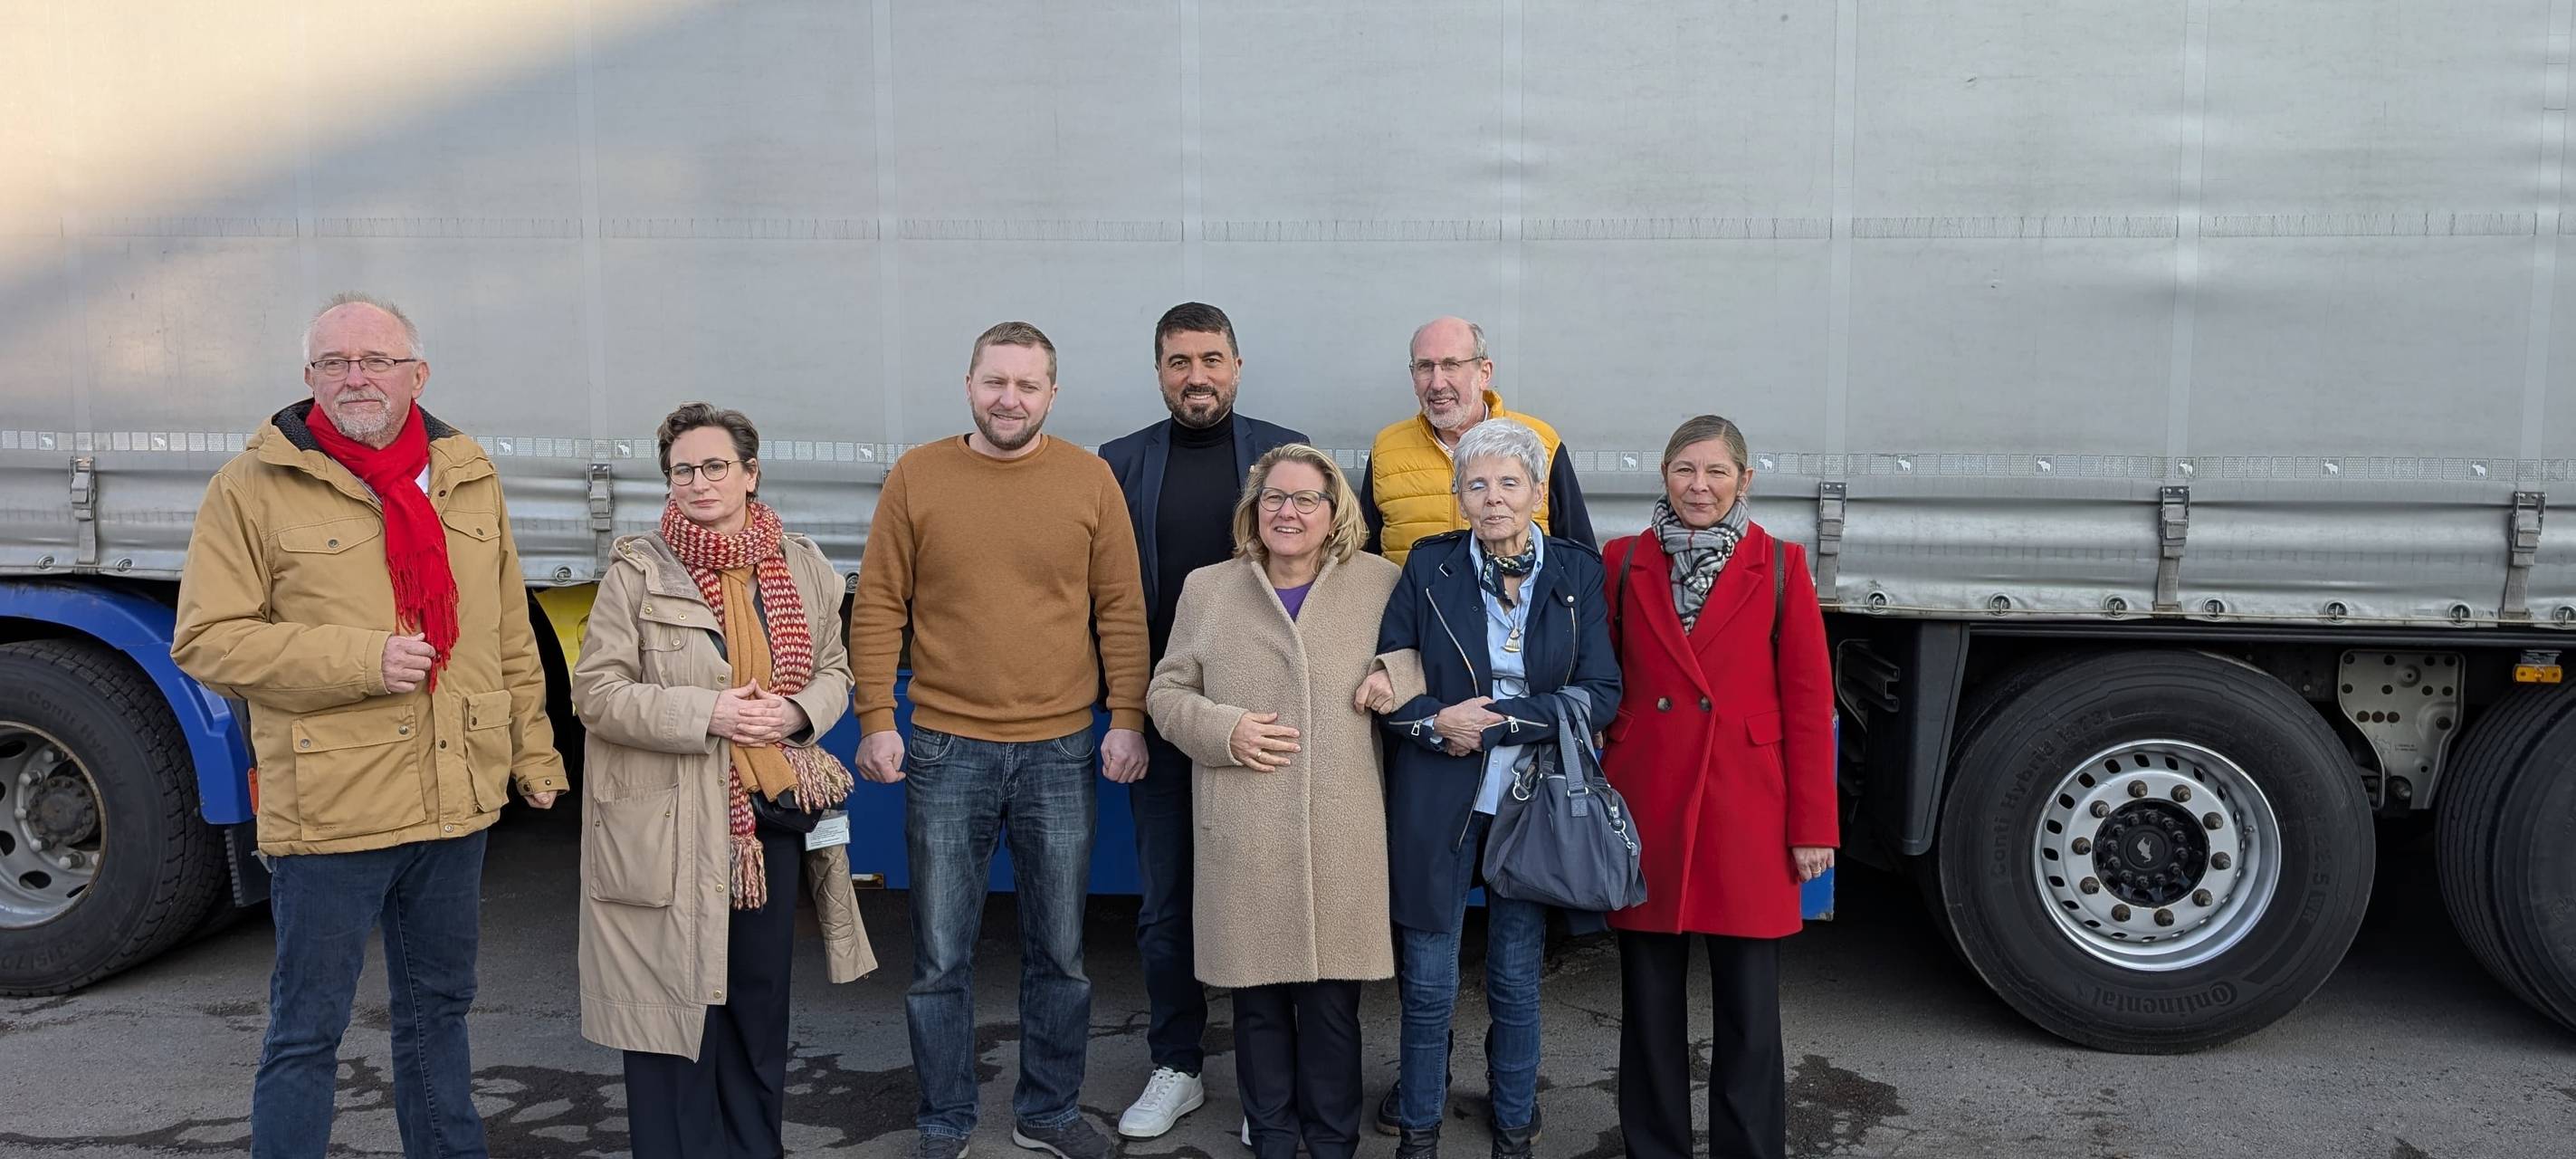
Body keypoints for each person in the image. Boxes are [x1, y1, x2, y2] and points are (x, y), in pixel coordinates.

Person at [171, 292, 567, 1159]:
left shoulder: (466, 471)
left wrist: (534, 755)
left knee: (440, 1017)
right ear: (308, 378)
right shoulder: (251, 486)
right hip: (332, 810)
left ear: (417, 375)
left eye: (376, 360)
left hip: (455, 803)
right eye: (334, 363)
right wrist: (362, 659)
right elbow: (205, 639)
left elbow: (507, 630)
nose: (356, 378)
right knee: (308, 1029)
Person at [849, 321, 1150, 1159]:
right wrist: (877, 717)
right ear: (969, 384)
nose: (1009, 398)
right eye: (995, 382)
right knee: (940, 956)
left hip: (1061, 747)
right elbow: (878, 603)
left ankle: (1047, 1114)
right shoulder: (918, 475)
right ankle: (944, 1122)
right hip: (946, 747)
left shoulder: (1089, 480)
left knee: (1061, 952)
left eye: (1027, 384)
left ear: (1052, 393)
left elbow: (1120, 608)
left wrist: (1126, 716)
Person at [570, 402, 875, 1158]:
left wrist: (796, 713)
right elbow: (596, 695)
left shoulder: (801, 563)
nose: (699, 482)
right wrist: (709, 711)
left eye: (715, 467)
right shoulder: (638, 570)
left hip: (765, 824)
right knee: (674, 1018)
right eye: (683, 470)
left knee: (755, 1010)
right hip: (668, 832)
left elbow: (838, 671)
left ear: (750, 473)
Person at [1146, 445, 1421, 1159]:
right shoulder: (1209, 588)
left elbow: (1430, 655)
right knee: (1256, 1000)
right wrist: (1224, 728)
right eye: (1274, 498)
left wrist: (1396, 672)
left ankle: (1331, 1141)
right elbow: (1166, 693)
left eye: (1305, 500)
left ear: (1334, 514)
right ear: (1253, 509)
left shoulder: (1380, 583)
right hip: (1245, 825)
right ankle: (1269, 1134)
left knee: (1333, 1005)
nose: (1288, 512)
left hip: (1343, 825)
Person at [1372, 419, 1622, 1159]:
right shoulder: (1428, 566)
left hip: (1532, 802)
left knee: (1515, 978)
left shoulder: (1577, 572)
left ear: (1537, 493)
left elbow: (1601, 693)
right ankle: (1418, 1128)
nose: (1493, 499)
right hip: (1437, 797)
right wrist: (1433, 722)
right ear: (1458, 497)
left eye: (1509, 483)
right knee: (1426, 981)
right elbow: (1389, 685)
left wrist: (1502, 721)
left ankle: (1513, 1123)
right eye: (1476, 485)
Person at [1098, 302, 1310, 1139]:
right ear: (1158, 370)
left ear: (1237, 365)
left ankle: (1269, 1086)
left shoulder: (1286, 455)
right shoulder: (1119, 465)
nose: (1198, 376)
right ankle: (1177, 1065)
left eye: (1212, 359)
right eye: (1181, 361)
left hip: (1270, 724)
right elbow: (1106, 605)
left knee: (1271, 896)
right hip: (1165, 719)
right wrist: (1121, 713)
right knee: (1167, 904)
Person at [1598, 415, 1836, 1159]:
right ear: (1663, 476)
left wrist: (1813, 826)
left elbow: (1807, 700)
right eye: (1683, 471)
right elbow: (1601, 683)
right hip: (1648, 802)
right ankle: (1656, 1147)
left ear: (1744, 480)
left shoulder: (1783, 565)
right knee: (1650, 1009)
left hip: (1747, 808)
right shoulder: (1622, 560)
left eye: (1716, 473)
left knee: (1750, 1015)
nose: (1699, 487)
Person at [1359, 317, 1597, 564]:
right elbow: (1364, 563)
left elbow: (1581, 559)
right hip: (1412, 603)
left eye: (1451, 365)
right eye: (1425, 367)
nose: (1437, 383)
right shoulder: (1387, 450)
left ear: (1484, 373)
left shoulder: (1540, 443)